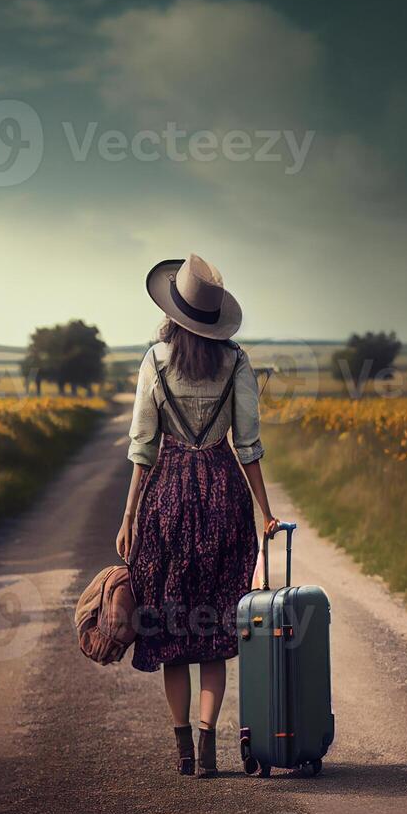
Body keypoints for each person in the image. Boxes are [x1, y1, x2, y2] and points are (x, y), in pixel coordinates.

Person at [116, 254, 279, 778]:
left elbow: (143, 448)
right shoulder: (236, 362)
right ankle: (210, 746)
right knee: (215, 627)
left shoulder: (154, 361)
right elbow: (248, 445)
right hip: (223, 500)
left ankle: (184, 752)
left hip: (166, 502)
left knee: (172, 632)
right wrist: (266, 513)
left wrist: (129, 518)